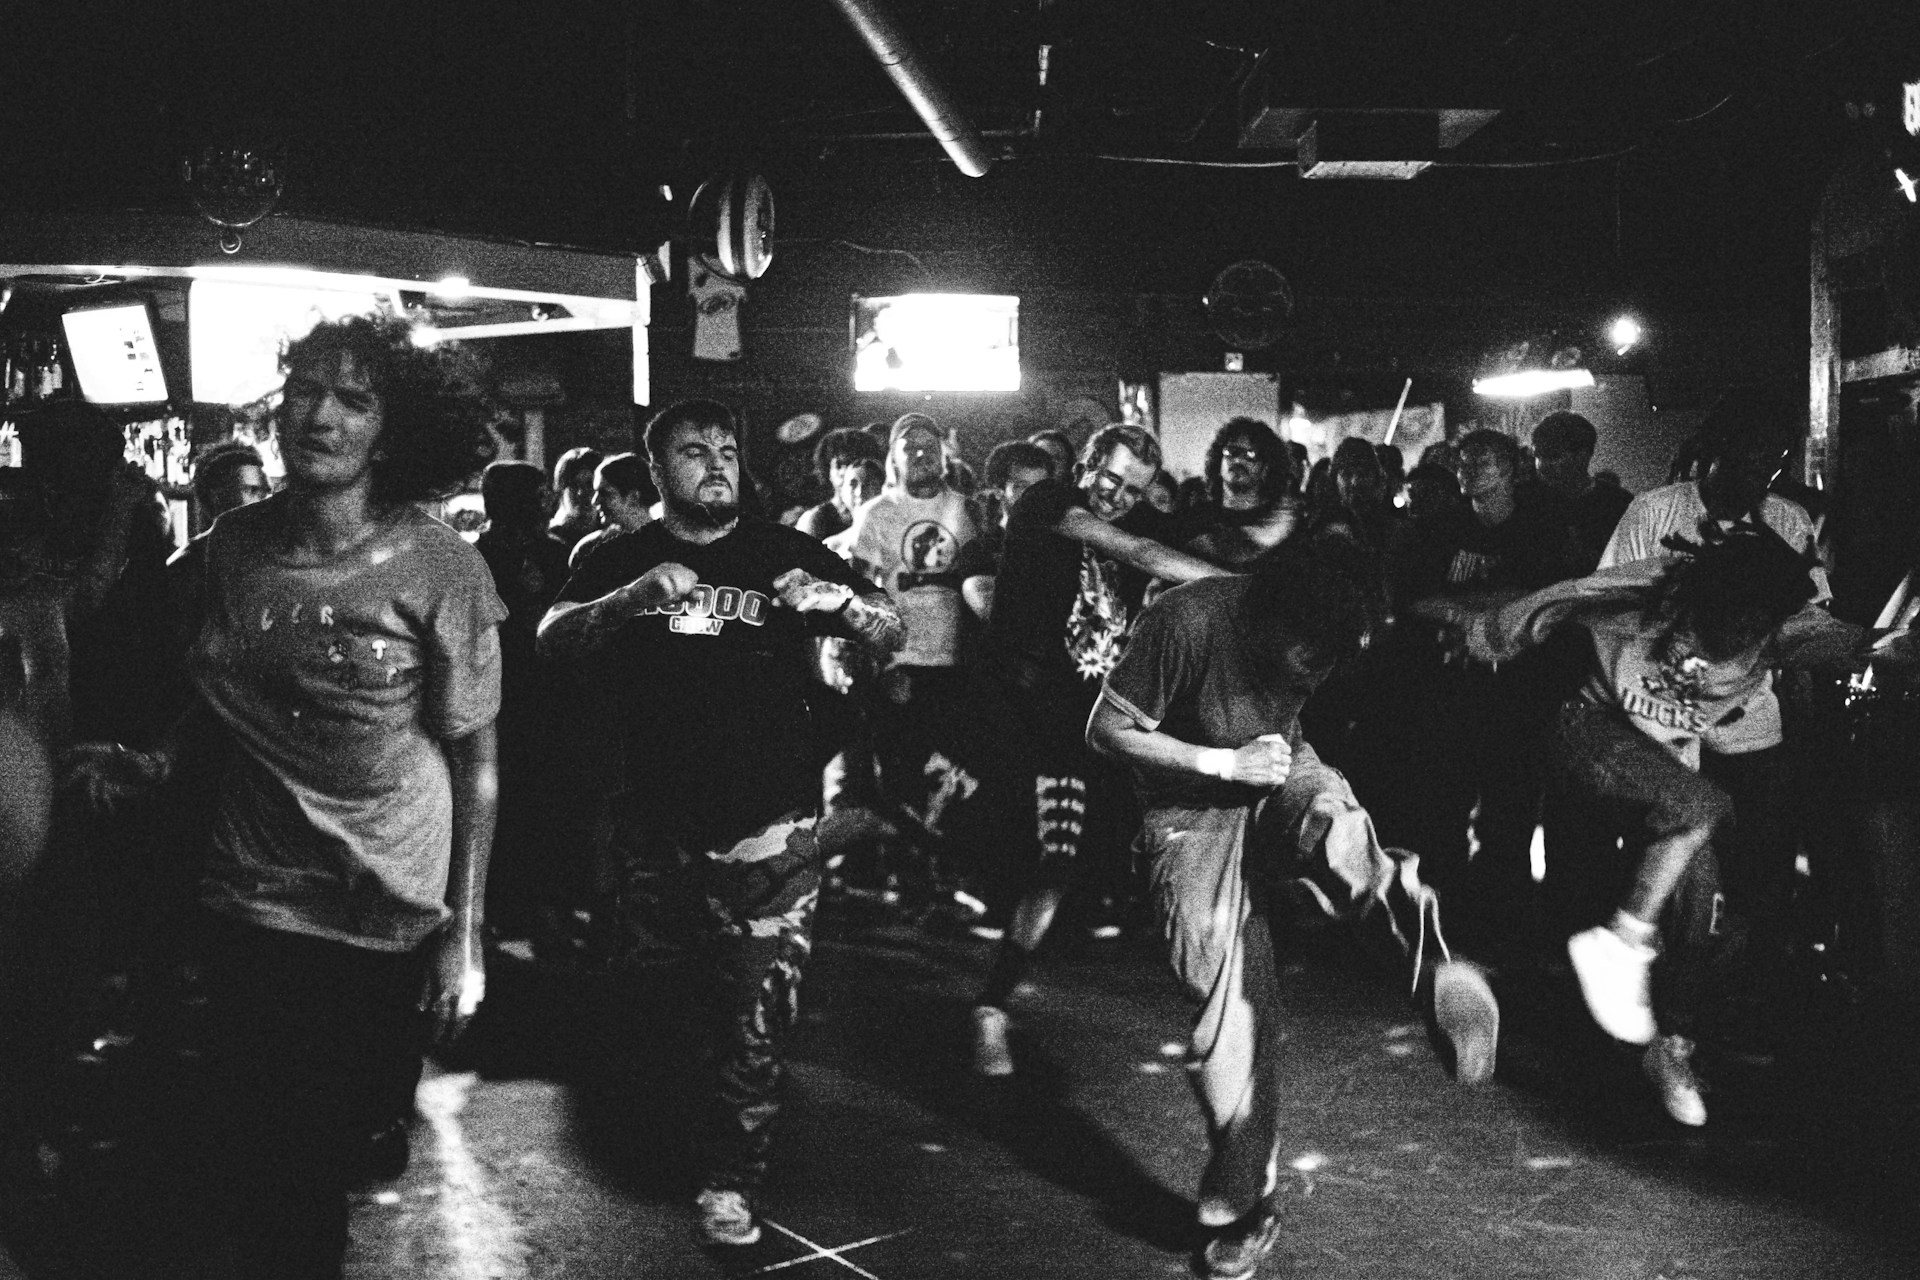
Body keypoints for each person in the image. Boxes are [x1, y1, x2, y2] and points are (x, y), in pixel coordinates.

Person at [68, 313, 505, 1276]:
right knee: (276, 1152)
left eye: (356, 398)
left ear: (393, 428)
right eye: (307, 388)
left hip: (387, 895)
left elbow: (474, 759)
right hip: (255, 886)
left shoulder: (442, 568)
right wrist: (157, 760)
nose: (323, 415)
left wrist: (465, 936)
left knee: (342, 1134)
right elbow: (205, 687)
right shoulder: (227, 552)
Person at [538, 398, 903, 1248]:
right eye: (695, 450)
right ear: (657, 469)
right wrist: (628, 600)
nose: (717, 463)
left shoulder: (786, 551)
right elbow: (552, 641)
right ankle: (667, 1147)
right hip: (649, 826)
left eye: (729, 450)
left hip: (768, 824)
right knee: (661, 1002)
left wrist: (838, 605)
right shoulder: (617, 557)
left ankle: (729, 1180)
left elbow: (893, 626)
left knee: (754, 1014)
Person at [1089, 532, 1499, 1278]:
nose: (1317, 667)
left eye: (1333, 654)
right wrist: (1219, 761)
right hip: (1189, 807)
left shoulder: (1323, 629)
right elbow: (1105, 729)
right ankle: (1250, 1192)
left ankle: (1430, 965)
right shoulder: (1185, 624)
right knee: (1221, 997)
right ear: (1272, 611)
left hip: (1280, 765)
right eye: (1309, 650)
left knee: (1336, 825)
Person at [1435, 525, 1901, 1124]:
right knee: (1700, 807)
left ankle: (1669, 1046)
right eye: (1716, 625)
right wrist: (1480, 637)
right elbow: (1560, 597)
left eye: (1743, 634)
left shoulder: (1787, 630)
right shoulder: (1653, 586)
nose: (1723, 642)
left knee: (1704, 886)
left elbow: (1870, 645)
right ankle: (1618, 946)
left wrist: (1899, 645)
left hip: (1664, 763)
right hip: (1588, 729)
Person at [967, 423, 1230, 1075]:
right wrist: (1247, 591)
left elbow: (1177, 550)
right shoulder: (1047, 502)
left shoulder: (1144, 517)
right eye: (1108, 478)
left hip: (1102, 724)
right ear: (1085, 465)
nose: (1115, 495)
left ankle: (1223, 1005)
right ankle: (991, 1008)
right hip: (1035, 718)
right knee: (1051, 863)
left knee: (1170, 846)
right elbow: (1137, 550)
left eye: (1132, 488)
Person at [1597, 387, 1825, 984]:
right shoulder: (1655, 511)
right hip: (1662, 717)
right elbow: (1611, 601)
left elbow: (1808, 620)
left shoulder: (1787, 520)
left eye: (1772, 462)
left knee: (1758, 856)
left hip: (1748, 718)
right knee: (1675, 860)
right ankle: (1662, 982)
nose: (1760, 474)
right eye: (1748, 459)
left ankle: (1754, 982)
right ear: (1715, 453)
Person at [844, 414, 984, 895]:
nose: (921, 454)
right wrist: (884, 666)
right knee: (902, 780)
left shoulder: (968, 511)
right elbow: (860, 596)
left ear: (944, 452)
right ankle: (909, 880)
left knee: (955, 776)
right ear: (895, 457)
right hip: (904, 665)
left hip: (958, 667)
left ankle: (949, 878)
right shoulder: (877, 514)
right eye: (910, 447)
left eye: (930, 445)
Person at [476, 461, 578, 952]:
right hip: (509, 702)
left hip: (534, 702)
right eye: (539, 494)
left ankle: (522, 911)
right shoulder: (481, 558)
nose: (549, 502)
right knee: (516, 808)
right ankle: (517, 911)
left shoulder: (551, 553)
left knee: (529, 809)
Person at [956, 439, 1053, 623]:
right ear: (998, 490)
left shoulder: (1058, 544)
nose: (1033, 497)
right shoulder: (978, 550)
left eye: (1040, 488)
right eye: (1022, 487)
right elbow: (993, 611)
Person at [1185, 418, 1298, 568]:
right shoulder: (1197, 516)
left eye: (1251, 455)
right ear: (1218, 461)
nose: (1238, 460)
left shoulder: (1280, 519)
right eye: (1231, 452)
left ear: (1266, 469)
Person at [1532, 411, 1631, 574]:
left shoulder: (1617, 503)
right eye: (1538, 456)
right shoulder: (1530, 503)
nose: (1542, 465)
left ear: (1582, 456)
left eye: (1552, 456)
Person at [569, 451, 657, 569]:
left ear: (633, 497)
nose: (594, 501)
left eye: (605, 493)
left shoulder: (666, 546)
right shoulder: (591, 548)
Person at [795, 427, 886, 541]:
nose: (849, 470)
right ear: (828, 471)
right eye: (841, 464)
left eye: (856, 461)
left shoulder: (885, 509)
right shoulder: (815, 519)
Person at [548, 445, 605, 552]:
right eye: (573, 485)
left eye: (589, 484)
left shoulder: (611, 535)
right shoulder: (550, 539)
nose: (581, 493)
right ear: (561, 490)